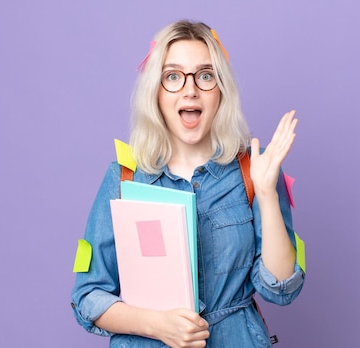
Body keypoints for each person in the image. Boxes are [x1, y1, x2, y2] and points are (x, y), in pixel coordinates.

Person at [71, 20, 305, 348]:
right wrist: (157, 325)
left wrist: (266, 192)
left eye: (205, 75)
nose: (190, 89)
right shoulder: (124, 177)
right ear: (156, 91)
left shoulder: (256, 168)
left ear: (221, 90)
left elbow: (282, 289)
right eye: (173, 76)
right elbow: (88, 296)